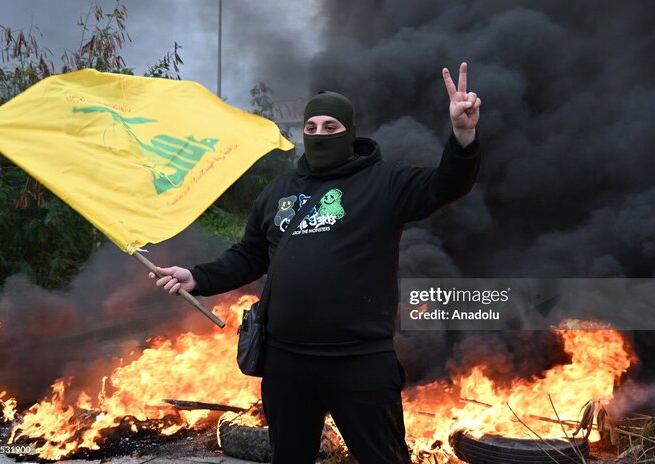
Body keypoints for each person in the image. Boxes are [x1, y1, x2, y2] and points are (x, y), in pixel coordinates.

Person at [150, 63, 481, 463]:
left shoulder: (384, 182)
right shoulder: (279, 191)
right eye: (312, 128)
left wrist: (463, 137)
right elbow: (249, 256)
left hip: (360, 361)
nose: (319, 135)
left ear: (349, 132)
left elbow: (445, 185)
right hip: (287, 363)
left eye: (330, 128)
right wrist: (197, 277)